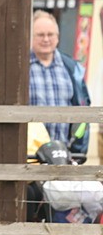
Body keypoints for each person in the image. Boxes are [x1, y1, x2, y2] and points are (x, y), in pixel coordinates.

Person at [29, 10, 90, 154]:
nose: (46, 39)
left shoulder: (72, 68)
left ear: (57, 37)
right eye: (40, 35)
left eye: (50, 34)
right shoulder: (19, 68)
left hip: (65, 154)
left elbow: (83, 113)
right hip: (29, 156)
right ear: (30, 37)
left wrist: (77, 151)